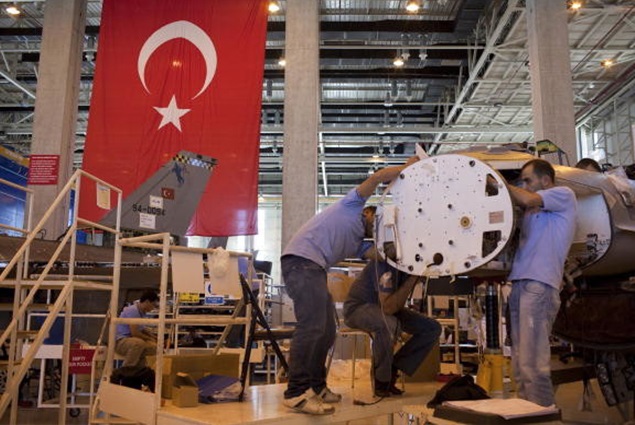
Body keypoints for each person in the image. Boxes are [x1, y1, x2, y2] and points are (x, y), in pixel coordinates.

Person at [281, 156, 419, 415]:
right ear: (368, 213)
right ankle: (296, 392)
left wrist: (417, 248)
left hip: (314, 268)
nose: (377, 228)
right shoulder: (352, 205)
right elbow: (378, 177)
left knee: (326, 331)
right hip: (301, 262)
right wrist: (405, 169)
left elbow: (386, 256)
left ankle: (316, 386)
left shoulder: (359, 243)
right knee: (311, 326)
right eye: (376, 221)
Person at [504, 158, 577, 407]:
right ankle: (527, 415)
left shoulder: (563, 194)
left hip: (539, 285)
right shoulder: (529, 212)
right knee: (519, 364)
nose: (524, 185)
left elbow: (527, 199)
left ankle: (544, 416)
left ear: (546, 180)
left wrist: (499, 183)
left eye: (528, 180)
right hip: (519, 284)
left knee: (533, 364)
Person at [343, 260, 441, 397]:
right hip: (358, 309)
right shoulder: (384, 264)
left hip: (385, 307)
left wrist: (415, 276)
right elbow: (388, 308)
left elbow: (394, 306)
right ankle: (382, 379)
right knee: (388, 324)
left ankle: (393, 367)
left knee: (432, 328)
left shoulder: (406, 266)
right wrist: (413, 278)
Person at [115, 290, 160, 368]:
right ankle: (127, 370)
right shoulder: (133, 310)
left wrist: (155, 338)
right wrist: (150, 338)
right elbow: (135, 333)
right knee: (138, 343)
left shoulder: (141, 313)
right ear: (147, 302)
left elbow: (142, 329)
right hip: (120, 341)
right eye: (153, 305)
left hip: (130, 339)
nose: (152, 308)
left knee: (153, 347)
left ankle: (139, 370)